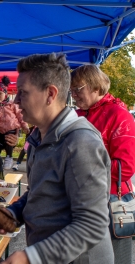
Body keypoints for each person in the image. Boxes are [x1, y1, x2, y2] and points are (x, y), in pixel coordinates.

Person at [0, 53, 114, 264]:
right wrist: (13, 213)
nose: (16, 101)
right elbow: (40, 190)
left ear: (50, 94)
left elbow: (92, 224)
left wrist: (31, 257)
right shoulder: (39, 136)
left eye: (22, 93)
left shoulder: (80, 142)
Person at [71, 64, 135, 264]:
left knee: (116, 257)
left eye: (78, 89)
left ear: (96, 88)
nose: (73, 95)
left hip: (110, 199)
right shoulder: (79, 115)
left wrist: (83, 168)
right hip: (81, 197)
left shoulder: (118, 114)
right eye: (71, 90)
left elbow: (125, 167)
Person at [0, 76, 30, 170]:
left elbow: (19, 115)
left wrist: (24, 126)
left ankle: (9, 156)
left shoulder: (12, 104)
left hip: (12, 128)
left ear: (5, 94)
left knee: (9, 141)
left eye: (0, 94)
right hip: (0, 129)